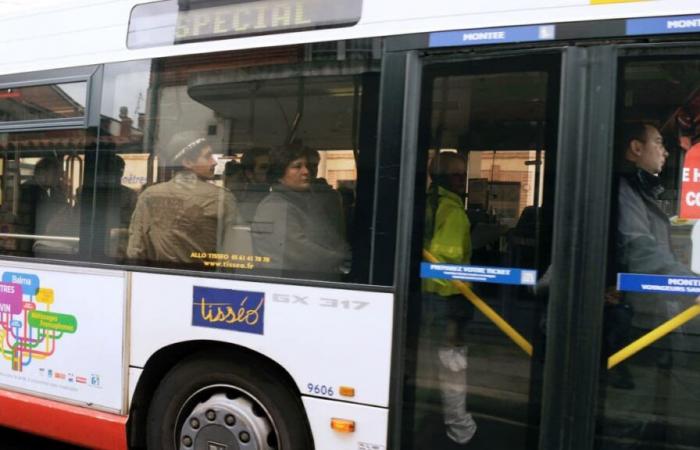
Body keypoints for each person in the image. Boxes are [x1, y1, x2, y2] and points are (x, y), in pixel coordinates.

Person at [613, 123, 695, 386]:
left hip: (645, 317)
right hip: (635, 322)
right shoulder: (623, 190)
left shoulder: (638, 191)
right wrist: (690, 284)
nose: (666, 152)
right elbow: (639, 250)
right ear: (636, 148)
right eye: (659, 143)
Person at [422, 151, 477, 445]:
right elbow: (447, 261)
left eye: (461, 174)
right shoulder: (452, 210)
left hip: (428, 297)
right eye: (456, 175)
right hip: (449, 299)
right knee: (453, 366)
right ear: (444, 177)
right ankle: (460, 429)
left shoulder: (430, 204)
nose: (461, 180)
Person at [126, 132, 236, 264]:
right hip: (203, 278)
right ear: (188, 162)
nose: (213, 162)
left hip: (156, 277)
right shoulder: (222, 198)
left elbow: (136, 249)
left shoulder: (149, 195)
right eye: (207, 157)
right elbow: (232, 252)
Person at [251, 145, 348, 280]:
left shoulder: (305, 202)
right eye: (297, 167)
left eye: (306, 166)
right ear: (280, 174)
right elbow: (299, 252)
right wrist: (341, 259)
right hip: (288, 283)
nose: (306, 171)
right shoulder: (275, 206)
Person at [16, 157, 71, 255]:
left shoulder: (51, 190)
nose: (58, 179)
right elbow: (27, 220)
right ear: (42, 174)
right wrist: (48, 226)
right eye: (55, 175)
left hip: (45, 239)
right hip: (29, 243)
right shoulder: (28, 190)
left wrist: (64, 193)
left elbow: (60, 208)